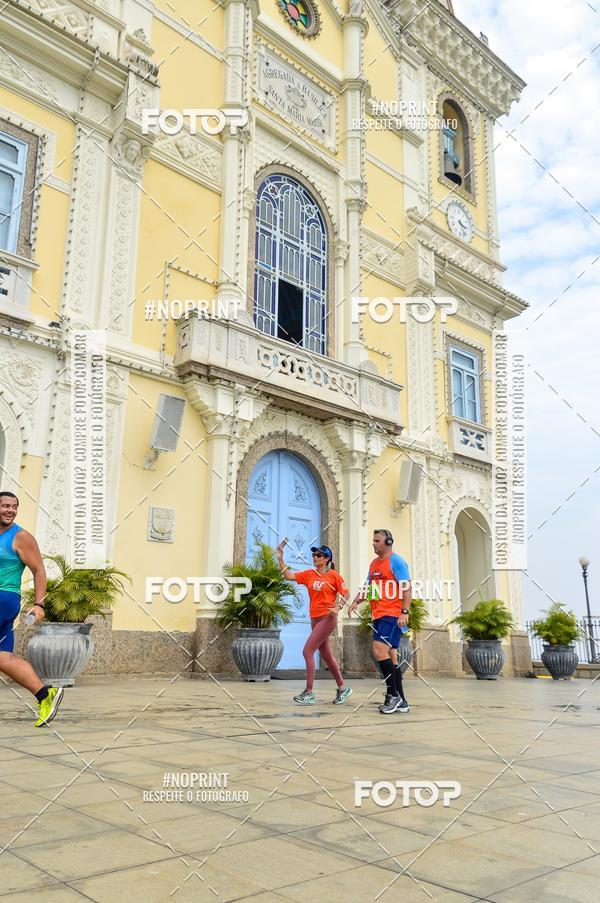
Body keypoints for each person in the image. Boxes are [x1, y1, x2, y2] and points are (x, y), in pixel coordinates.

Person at [0, 491, 63, 727]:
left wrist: (39, 604)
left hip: (4, 598)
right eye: (5, 505)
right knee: (3, 658)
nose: (10, 510)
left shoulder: (21, 537)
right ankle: (45, 695)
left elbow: (39, 570)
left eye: (14, 507)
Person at [276, 539, 352, 706]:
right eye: (314, 555)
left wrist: (338, 607)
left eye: (318, 555)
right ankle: (342, 687)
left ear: (327, 559)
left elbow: (346, 594)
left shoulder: (334, 576)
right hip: (315, 619)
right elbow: (288, 576)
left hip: (328, 618)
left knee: (307, 651)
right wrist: (281, 558)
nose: (315, 557)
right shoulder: (309, 574)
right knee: (327, 656)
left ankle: (309, 692)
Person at [348, 529, 411, 714]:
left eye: (377, 540)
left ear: (388, 541)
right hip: (379, 615)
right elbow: (370, 587)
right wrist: (356, 601)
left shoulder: (396, 561)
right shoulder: (375, 563)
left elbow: (406, 589)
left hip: (392, 615)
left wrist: (404, 612)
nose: (373, 544)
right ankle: (402, 701)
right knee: (391, 655)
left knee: (378, 649)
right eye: (373, 540)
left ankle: (393, 695)